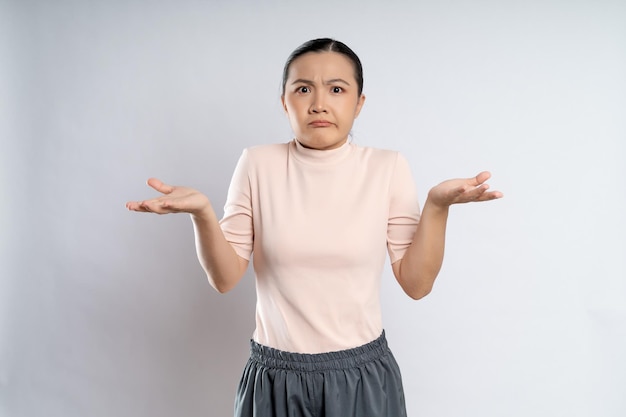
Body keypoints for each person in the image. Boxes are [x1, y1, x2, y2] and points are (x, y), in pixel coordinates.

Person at [126, 38, 502, 417]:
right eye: (303, 89)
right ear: (284, 101)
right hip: (275, 379)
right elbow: (224, 279)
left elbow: (417, 284)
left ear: (359, 104)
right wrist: (203, 214)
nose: (319, 103)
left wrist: (437, 207)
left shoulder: (387, 168)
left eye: (337, 89)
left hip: (361, 378)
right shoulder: (257, 165)